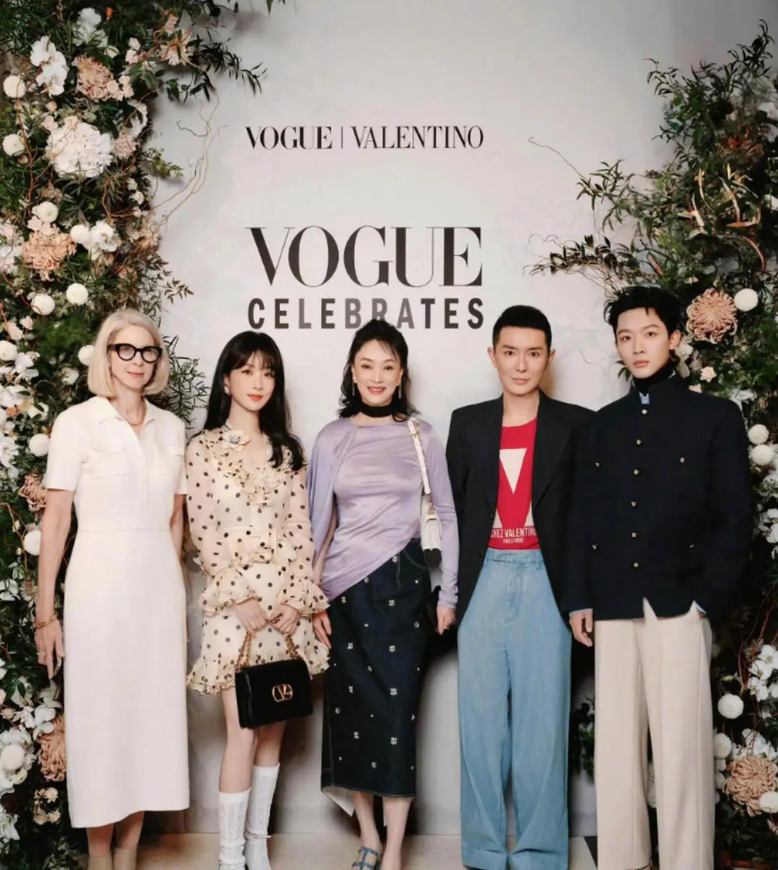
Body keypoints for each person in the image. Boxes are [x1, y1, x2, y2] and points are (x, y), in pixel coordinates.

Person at [563, 285, 752, 870]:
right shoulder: (600, 428)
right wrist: (579, 598)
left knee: (682, 750)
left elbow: (734, 517)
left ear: (674, 338)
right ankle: (624, 862)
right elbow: (582, 516)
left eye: (649, 334)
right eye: (626, 337)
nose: (637, 347)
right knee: (617, 749)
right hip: (613, 602)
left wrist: (706, 600)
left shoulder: (715, 418)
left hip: (681, 602)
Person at [35, 309, 189, 870]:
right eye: (125, 350)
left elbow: (175, 520)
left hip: (158, 589)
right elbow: (56, 522)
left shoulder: (172, 428)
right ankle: (99, 857)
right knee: (101, 719)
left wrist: (175, 598)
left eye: (148, 351)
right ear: (107, 356)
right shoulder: (77, 422)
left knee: (150, 718)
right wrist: (46, 614)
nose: (137, 361)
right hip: (97, 586)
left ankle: (128, 853)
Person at [446, 305, 593, 870]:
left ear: (549, 357)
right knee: (480, 726)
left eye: (533, 353)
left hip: (545, 580)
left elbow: (584, 520)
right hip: (484, 577)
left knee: (543, 726)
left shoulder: (576, 424)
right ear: (493, 356)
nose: (522, 364)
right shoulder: (467, 423)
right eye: (510, 352)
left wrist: (580, 597)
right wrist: (450, 594)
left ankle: (540, 853)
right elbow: (453, 515)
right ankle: (483, 851)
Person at [308, 319, 458, 870]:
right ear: (352, 371)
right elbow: (317, 524)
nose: (376, 376)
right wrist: (312, 597)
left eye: (387, 366)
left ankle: (394, 850)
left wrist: (450, 594)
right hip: (343, 594)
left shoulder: (422, 436)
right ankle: (369, 836)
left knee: (397, 720)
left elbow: (448, 515)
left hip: (403, 587)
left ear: (401, 374)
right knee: (351, 718)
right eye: (366, 365)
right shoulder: (331, 437)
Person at [185, 331, 328, 870]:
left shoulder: (289, 451)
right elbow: (202, 529)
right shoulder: (202, 450)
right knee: (242, 730)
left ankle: (257, 848)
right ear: (226, 379)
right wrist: (238, 595)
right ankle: (229, 858)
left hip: (284, 606)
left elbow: (300, 531)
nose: (258, 382)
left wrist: (296, 601)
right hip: (234, 607)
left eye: (267, 372)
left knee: (274, 728)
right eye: (246, 370)